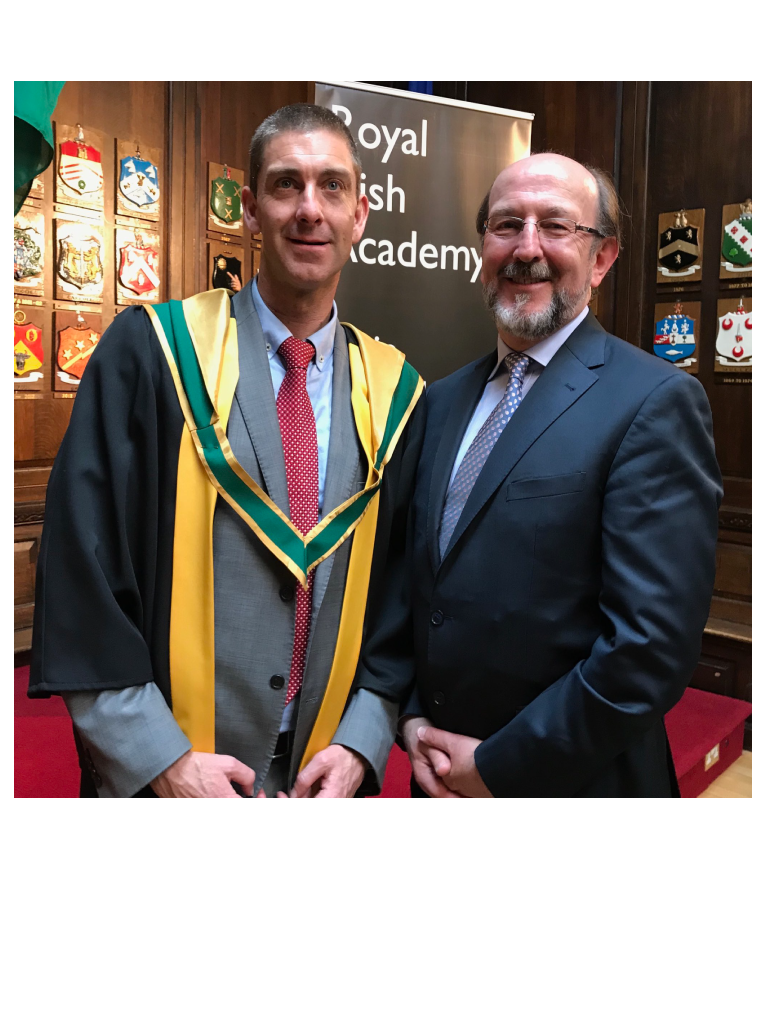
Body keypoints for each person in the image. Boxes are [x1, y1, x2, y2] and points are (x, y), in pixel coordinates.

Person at [29, 103, 425, 799]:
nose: (310, 209)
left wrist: (364, 739)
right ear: (248, 208)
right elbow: (81, 569)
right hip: (175, 779)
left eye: (332, 186)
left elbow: (404, 593)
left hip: (322, 778)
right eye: (285, 184)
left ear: (361, 214)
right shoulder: (152, 354)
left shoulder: (395, 390)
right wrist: (162, 762)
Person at [392, 153, 722, 797]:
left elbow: (648, 648)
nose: (527, 248)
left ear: (601, 258)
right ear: (481, 248)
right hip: (435, 775)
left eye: (558, 226)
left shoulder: (653, 401)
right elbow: (414, 587)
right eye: (506, 224)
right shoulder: (439, 401)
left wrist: (497, 767)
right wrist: (409, 718)